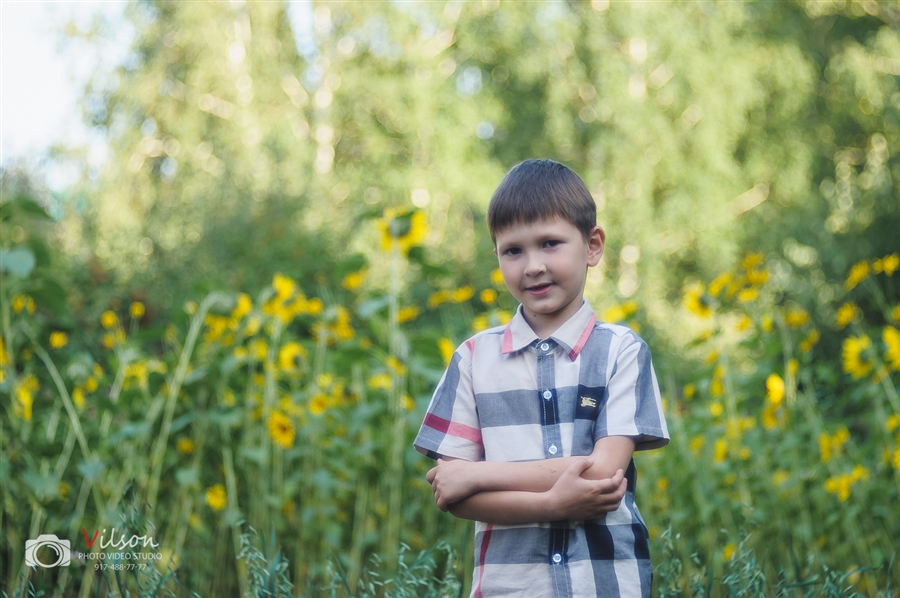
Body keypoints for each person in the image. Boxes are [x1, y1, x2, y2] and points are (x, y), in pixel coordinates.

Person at [413, 159, 670, 598]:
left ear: (592, 246)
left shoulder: (620, 352)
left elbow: (604, 473)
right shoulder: (473, 360)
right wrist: (549, 502)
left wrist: (479, 475)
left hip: (605, 584)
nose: (532, 265)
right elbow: (454, 493)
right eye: (513, 250)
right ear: (496, 255)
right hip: (510, 587)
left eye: (550, 243)